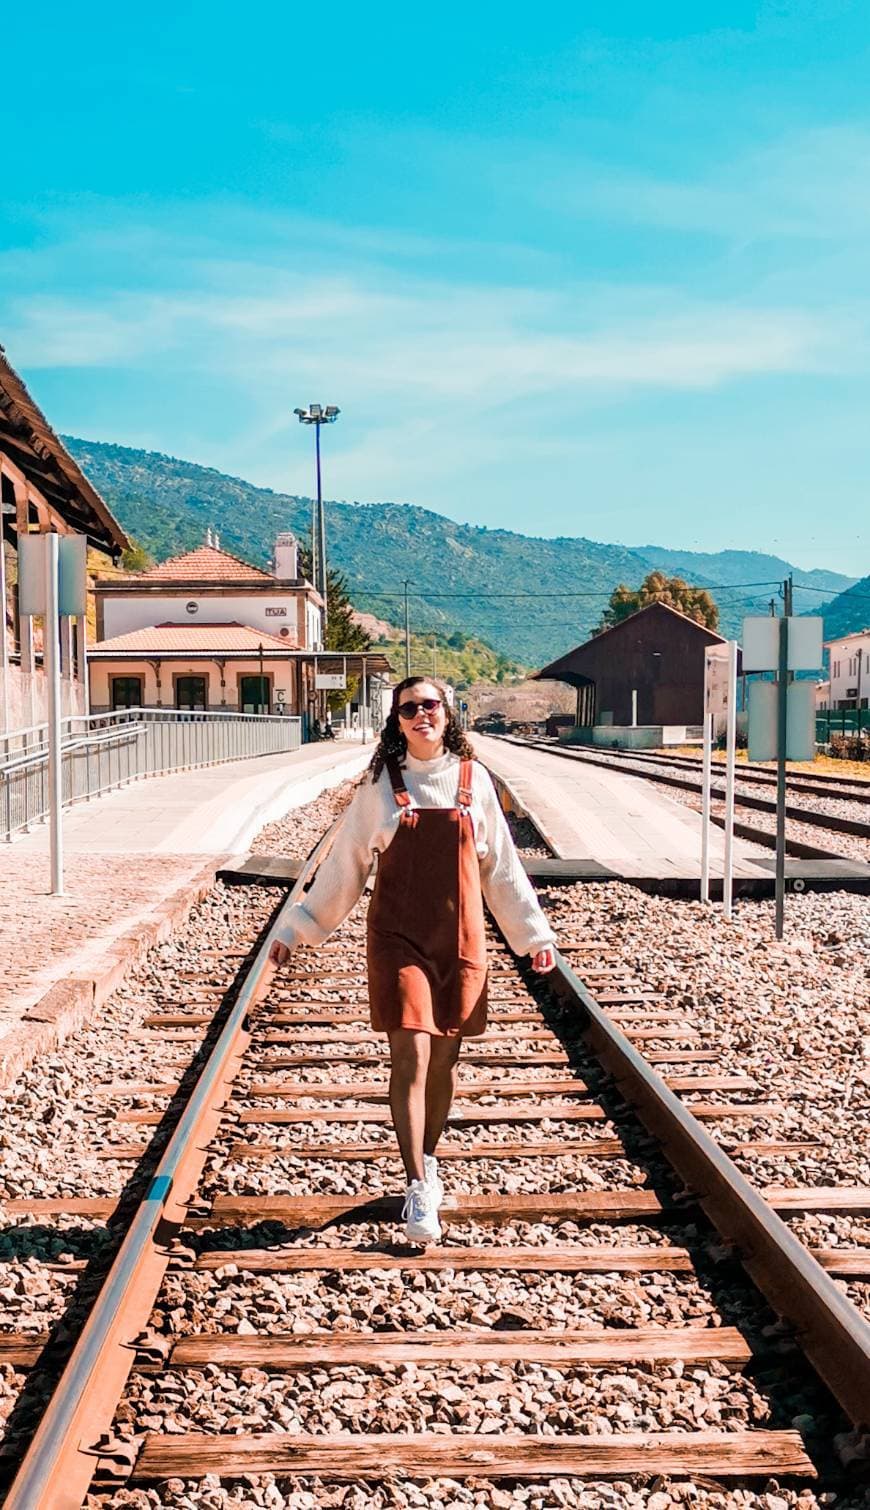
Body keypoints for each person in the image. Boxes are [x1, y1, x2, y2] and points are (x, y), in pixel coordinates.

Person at [269, 676, 556, 1243]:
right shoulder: (380, 786)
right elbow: (344, 868)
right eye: (409, 709)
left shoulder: (475, 783)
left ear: (448, 715)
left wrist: (533, 936)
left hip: (461, 941)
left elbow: (502, 870)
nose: (420, 715)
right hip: (398, 941)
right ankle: (418, 1183)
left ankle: (429, 1153)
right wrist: (298, 928)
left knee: (444, 1062)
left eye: (430, 706)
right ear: (396, 721)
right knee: (412, 1053)